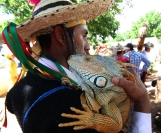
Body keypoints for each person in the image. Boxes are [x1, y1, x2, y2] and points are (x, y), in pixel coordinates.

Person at [1, 0, 151, 133]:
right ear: (61, 36)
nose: (88, 46)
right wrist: (143, 101)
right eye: (84, 36)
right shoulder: (71, 106)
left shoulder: (21, 89)